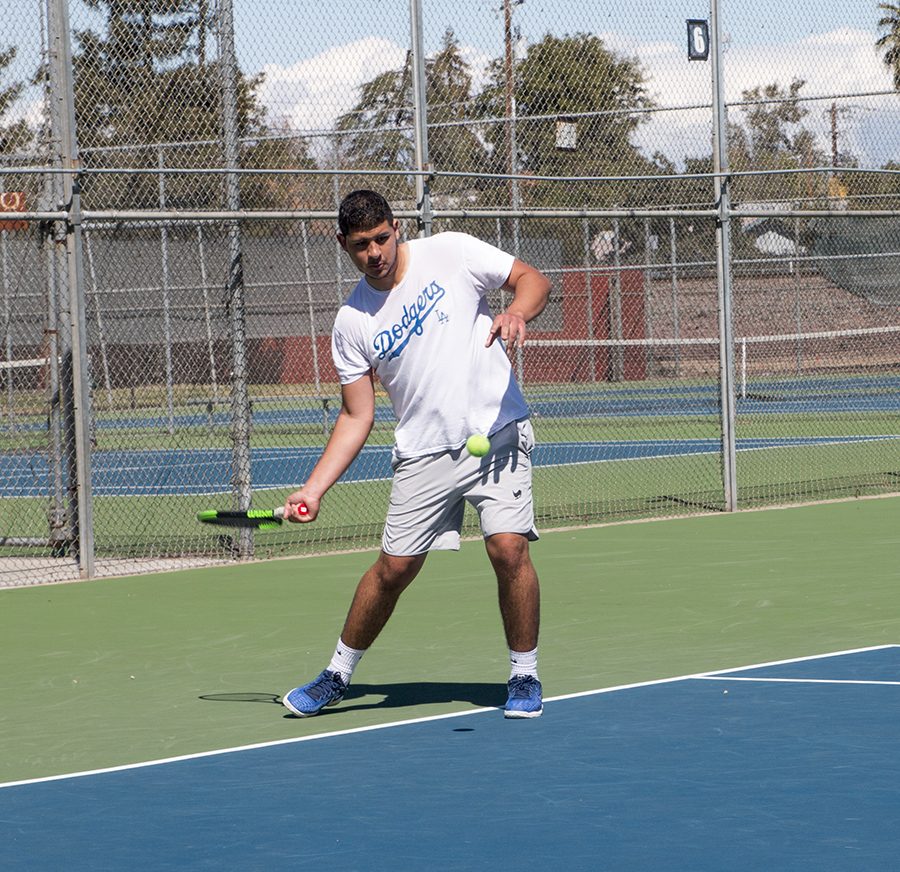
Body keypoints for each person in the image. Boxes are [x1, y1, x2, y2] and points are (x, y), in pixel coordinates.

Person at [282, 189, 552, 719]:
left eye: (382, 238)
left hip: (497, 431)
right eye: (361, 245)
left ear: (397, 227)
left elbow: (533, 279)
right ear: (343, 245)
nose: (375, 252)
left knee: (508, 548)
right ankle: (337, 675)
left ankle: (524, 674)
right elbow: (357, 416)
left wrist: (518, 311)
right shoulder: (352, 322)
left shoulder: (452, 252)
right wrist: (313, 488)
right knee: (394, 568)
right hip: (424, 453)